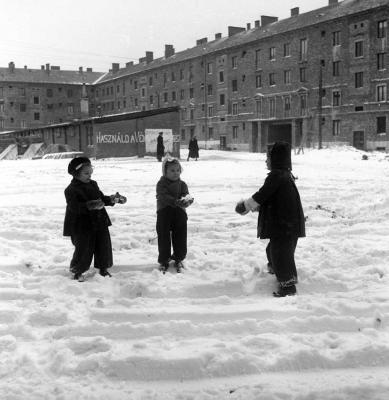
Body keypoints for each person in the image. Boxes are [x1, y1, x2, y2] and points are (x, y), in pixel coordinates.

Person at [235, 142, 305, 297]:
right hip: (287, 224)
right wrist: (260, 207)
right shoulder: (284, 175)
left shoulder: (277, 176)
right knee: (274, 250)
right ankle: (275, 268)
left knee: (281, 254)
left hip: (285, 225)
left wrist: (246, 206)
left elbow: (263, 194)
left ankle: (288, 286)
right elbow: (274, 198)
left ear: (276, 159)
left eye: (268, 157)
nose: (266, 161)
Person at [63, 157, 127, 282]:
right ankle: (77, 270)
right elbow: (74, 207)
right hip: (82, 225)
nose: (89, 176)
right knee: (84, 248)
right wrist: (90, 205)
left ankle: (103, 268)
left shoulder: (93, 184)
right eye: (86, 173)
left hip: (99, 221)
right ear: (76, 174)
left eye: (91, 172)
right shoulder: (71, 190)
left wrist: (113, 199)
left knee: (103, 245)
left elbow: (101, 198)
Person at [156, 156, 194, 273]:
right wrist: (175, 201)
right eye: (172, 170)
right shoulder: (161, 183)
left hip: (179, 213)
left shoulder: (182, 184)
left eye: (178, 170)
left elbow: (185, 194)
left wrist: (187, 201)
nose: (175, 173)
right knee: (164, 236)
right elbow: (163, 196)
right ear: (165, 171)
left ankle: (179, 258)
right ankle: (164, 259)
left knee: (180, 236)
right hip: (164, 212)